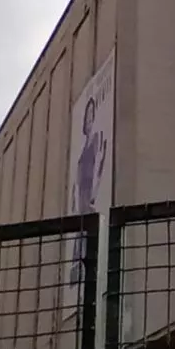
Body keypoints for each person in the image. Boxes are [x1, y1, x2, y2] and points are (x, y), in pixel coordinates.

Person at [70, 95, 108, 286]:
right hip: (81, 207)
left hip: (89, 204)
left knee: (90, 251)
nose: (89, 119)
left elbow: (99, 169)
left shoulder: (96, 140)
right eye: (87, 116)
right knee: (79, 252)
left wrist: (93, 195)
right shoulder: (82, 149)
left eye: (92, 115)